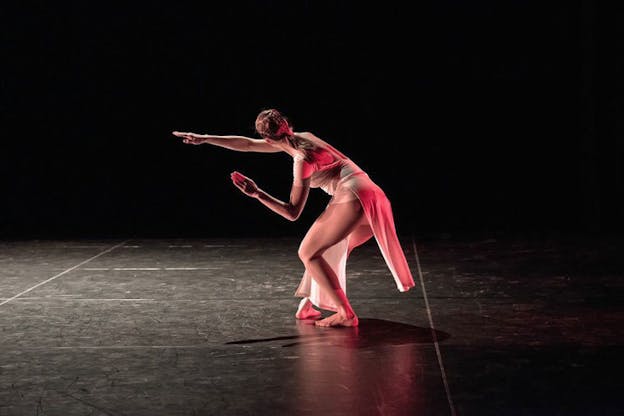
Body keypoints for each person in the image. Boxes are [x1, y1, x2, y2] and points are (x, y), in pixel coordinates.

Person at [173, 109, 415, 327]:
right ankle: (308, 305)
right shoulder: (304, 136)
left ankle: (345, 313)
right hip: (374, 194)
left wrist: (257, 194)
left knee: (308, 252)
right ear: (286, 125)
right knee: (328, 251)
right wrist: (204, 138)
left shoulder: (302, 160)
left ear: (269, 139)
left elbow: (292, 213)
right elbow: (247, 144)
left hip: (353, 196)